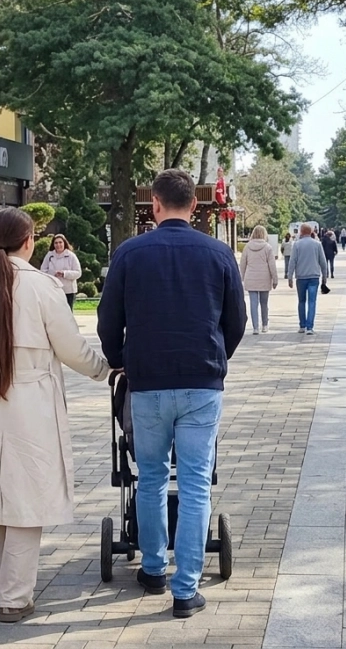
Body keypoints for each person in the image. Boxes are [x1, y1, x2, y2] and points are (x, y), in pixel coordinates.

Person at [0, 207, 109, 624]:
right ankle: (16, 596)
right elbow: (71, 348)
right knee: (26, 497)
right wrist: (105, 369)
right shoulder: (42, 287)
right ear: (30, 241)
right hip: (31, 404)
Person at [97, 169, 246, 618]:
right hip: (202, 380)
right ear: (195, 207)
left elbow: (108, 317)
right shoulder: (219, 253)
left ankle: (154, 568)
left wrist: (118, 357)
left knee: (152, 476)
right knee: (198, 481)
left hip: (148, 383)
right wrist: (217, 356)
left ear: (155, 205)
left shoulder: (129, 253)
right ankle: (187, 589)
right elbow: (235, 322)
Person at [286, 223, 328, 335]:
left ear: (301, 231)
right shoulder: (317, 244)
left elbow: (292, 261)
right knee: (312, 302)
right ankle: (310, 327)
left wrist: (290, 276)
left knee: (301, 301)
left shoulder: (297, 245)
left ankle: (302, 325)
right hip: (314, 276)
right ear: (311, 232)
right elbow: (323, 262)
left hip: (301, 277)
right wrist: (325, 276)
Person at [240, 225, 278, 335]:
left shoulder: (247, 247)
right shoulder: (268, 247)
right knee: (264, 303)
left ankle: (255, 327)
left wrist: (240, 278)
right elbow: (272, 265)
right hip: (264, 278)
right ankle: (265, 325)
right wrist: (275, 279)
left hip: (251, 278)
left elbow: (243, 264)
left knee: (253, 303)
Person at [40, 234, 83, 308]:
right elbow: (42, 271)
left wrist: (64, 273)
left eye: (60, 242)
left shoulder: (71, 256)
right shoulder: (49, 255)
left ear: (64, 243)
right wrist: (52, 274)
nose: (58, 245)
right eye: (56, 243)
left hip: (68, 291)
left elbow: (78, 273)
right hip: (53, 290)